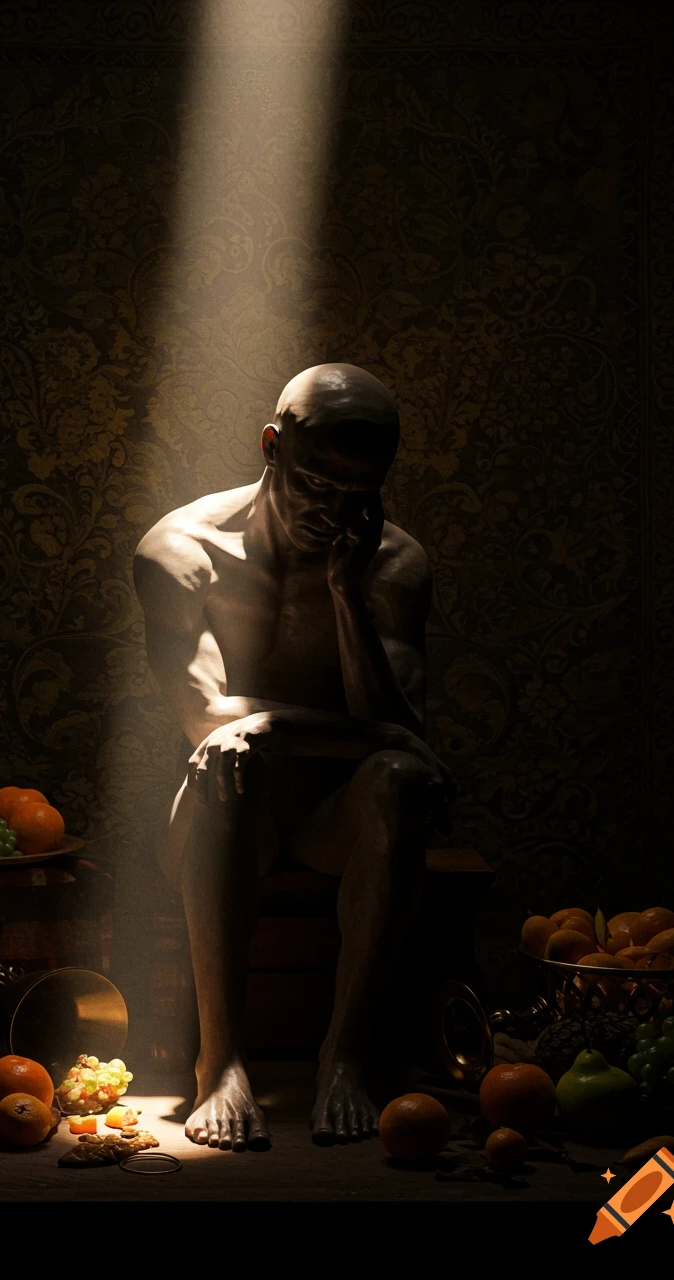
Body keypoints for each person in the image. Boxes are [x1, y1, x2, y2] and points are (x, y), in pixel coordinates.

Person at [134, 363, 454, 1150]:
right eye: (316, 483)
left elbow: (400, 738)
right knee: (226, 770)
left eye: (360, 492)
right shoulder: (183, 550)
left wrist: (346, 596)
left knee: (400, 782)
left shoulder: (393, 563)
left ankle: (344, 1057)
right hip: (232, 812)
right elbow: (206, 718)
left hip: (335, 818)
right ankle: (221, 1060)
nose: (335, 511)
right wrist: (315, 734)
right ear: (272, 446)